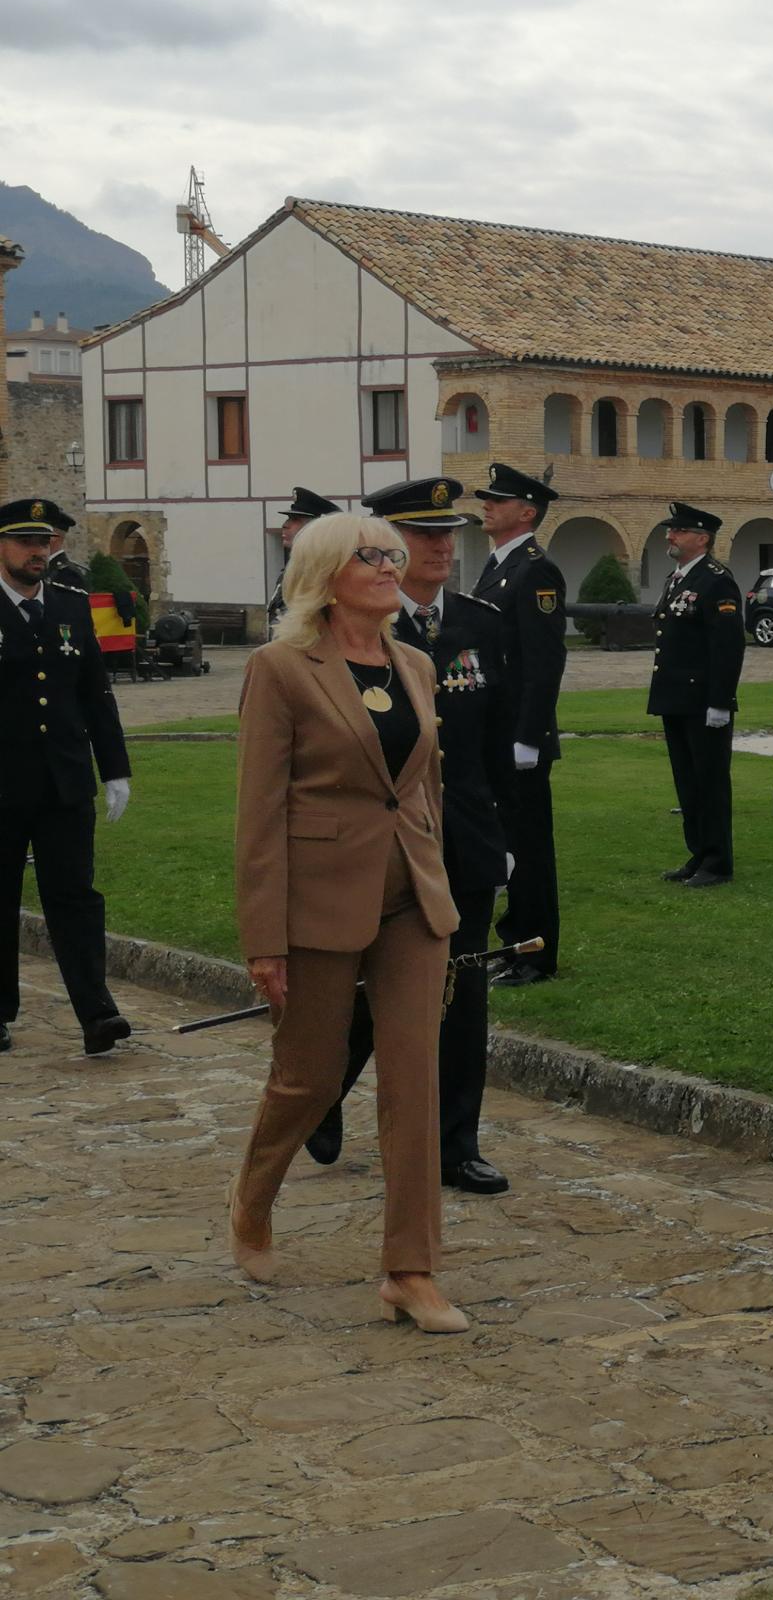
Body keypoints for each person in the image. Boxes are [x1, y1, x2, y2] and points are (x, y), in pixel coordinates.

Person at [229, 511, 466, 1333]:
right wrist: (263, 938)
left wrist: (435, 871)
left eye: (392, 555)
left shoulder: (416, 665)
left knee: (413, 1080)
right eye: (370, 556)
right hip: (318, 903)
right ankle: (254, 1196)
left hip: (412, 903)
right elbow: (258, 813)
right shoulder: (281, 668)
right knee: (310, 1077)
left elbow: (423, 784)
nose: (390, 565)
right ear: (327, 573)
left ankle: (411, 1268)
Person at [312, 476, 516, 1196]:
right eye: (420, 535)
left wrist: (504, 834)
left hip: (461, 841)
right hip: (380, 846)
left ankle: (456, 1143)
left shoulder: (481, 623)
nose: (437, 547)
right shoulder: (356, 626)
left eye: (446, 534)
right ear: (385, 545)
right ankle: (323, 1091)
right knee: (372, 985)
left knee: (462, 994)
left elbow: (497, 747)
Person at [0, 497, 133, 1057]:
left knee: (75, 897)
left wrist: (115, 770)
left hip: (64, 782)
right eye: (27, 542)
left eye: (45, 541)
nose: (39, 551)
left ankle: (97, 1012)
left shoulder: (72, 606)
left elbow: (95, 695)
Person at [473, 463, 567, 986]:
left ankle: (535, 953)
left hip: (519, 739)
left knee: (529, 849)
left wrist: (529, 737)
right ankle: (513, 943)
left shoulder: (535, 570)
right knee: (506, 844)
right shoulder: (496, 567)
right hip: (496, 733)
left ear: (526, 511)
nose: (487, 504)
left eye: (498, 499)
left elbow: (544, 661)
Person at [649, 502, 744, 888]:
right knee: (687, 782)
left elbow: (727, 646)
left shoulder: (716, 580)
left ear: (702, 538)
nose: (670, 535)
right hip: (676, 699)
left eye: (679, 530)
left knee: (710, 782)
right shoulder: (677, 579)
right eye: (671, 530)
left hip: (704, 703)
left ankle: (718, 861)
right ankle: (698, 853)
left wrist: (720, 702)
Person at [267, 487, 340, 627]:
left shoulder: (320, 573)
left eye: (295, 519)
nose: (285, 525)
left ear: (315, 528)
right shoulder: (295, 568)